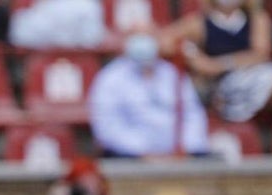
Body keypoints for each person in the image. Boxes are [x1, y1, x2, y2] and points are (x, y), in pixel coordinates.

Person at [158, 0, 272, 123]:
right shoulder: (198, 23)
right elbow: (165, 41)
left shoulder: (257, 18)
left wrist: (217, 65)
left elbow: (260, 55)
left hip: (256, 76)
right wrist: (191, 53)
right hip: (227, 87)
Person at [88, 31, 210, 159]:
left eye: (148, 36)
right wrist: (145, 153)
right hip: (132, 156)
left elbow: (194, 115)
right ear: (126, 42)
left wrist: (186, 149)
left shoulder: (172, 73)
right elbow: (108, 128)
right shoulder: (110, 77)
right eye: (137, 36)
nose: (143, 41)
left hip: (180, 155)